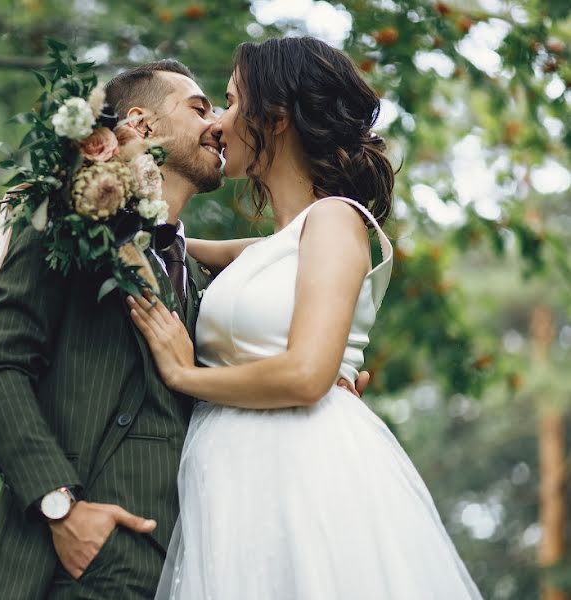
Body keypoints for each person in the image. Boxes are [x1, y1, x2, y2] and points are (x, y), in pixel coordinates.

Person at [0, 57, 370, 598]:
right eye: (200, 107)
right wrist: (61, 508)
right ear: (142, 124)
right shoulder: (67, 221)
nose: (219, 123)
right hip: (72, 562)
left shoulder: (212, 283)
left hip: (196, 565)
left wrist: (324, 394)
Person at [127, 37, 483, 599]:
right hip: (227, 476)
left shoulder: (338, 222)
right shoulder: (274, 248)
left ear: (277, 117)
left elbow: (307, 375)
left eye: (231, 101)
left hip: (302, 466)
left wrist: (186, 374)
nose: (219, 122)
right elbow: (178, 244)